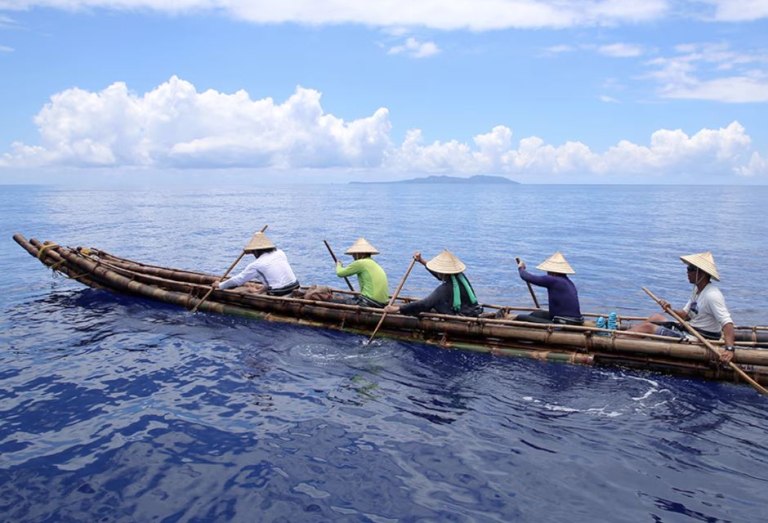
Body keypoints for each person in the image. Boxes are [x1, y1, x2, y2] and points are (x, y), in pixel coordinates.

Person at [627, 251, 734, 364]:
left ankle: (616, 340)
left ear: (701, 273)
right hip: (689, 329)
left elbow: (727, 323)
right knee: (656, 317)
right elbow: (685, 315)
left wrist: (730, 349)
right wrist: (670, 309)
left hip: (699, 338)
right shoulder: (697, 290)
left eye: (690, 269)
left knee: (647, 327)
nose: (687, 272)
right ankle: (621, 337)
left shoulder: (712, 295)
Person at [383, 250, 483, 317]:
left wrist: (397, 309)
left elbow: (424, 304)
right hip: (471, 309)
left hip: (461, 314)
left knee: (432, 303)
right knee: (436, 301)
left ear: (442, 272)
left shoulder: (445, 289)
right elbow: (439, 275)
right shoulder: (460, 278)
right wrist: (421, 261)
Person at [213, 232, 299, 296]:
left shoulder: (256, 265)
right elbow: (274, 278)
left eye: (253, 252)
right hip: (295, 287)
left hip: (280, 292)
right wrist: (259, 291)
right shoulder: (280, 253)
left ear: (256, 251)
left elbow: (238, 280)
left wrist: (220, 285)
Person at [515, 252, 583, 325]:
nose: (547, 273)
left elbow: (527, 277)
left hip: (565, 321)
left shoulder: (553, 280)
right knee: (536, 314)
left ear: (553, 271)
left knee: (520, 317)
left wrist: (521, 268)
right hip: (575, 319)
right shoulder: (568, 282)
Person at [335, 237, 390, 308]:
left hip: (371, 302)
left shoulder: (360, 263)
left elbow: (340, 273)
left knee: (339, 300)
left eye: (354, 254)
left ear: (360, 254)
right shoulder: (373, 263)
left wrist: (338, 265)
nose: (353, 256)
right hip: (383, 303)